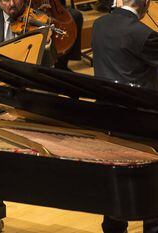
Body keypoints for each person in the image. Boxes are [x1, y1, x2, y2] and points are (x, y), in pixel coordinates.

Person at [92, 0, 158, 231]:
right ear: (146, 5)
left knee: (115, 193)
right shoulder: (144, 34)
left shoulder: (98, 25)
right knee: (151, 197)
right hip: (143, 128)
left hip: (108, 124)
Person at [0, 0, 83, 70]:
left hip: (32, 76)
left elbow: (49, 62)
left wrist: (47, 43)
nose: (11, 4)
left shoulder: (38, 16)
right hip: (1, 73)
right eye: (6, 0)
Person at [92, 0, 158, 91]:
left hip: (104, 98)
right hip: (137, 101)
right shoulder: (145, 34)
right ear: (146, 2)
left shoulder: (98, 23)